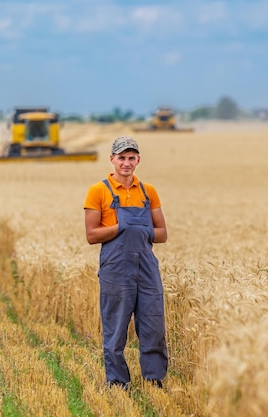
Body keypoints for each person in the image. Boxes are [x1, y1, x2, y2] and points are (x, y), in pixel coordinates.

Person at [83, 136, 168, 390]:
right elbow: (91, 235)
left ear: (138, 160)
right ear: (112, 160)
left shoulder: (147, 192)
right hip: (116, 268)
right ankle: (118, 382)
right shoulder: (98, 191)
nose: (127, 162)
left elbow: (162, 232)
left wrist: (142, 231)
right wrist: (122, 227)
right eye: (122, 157)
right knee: (116, 328)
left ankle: (154, 380)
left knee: (153, 325)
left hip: (146, 268)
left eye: (131, 158)